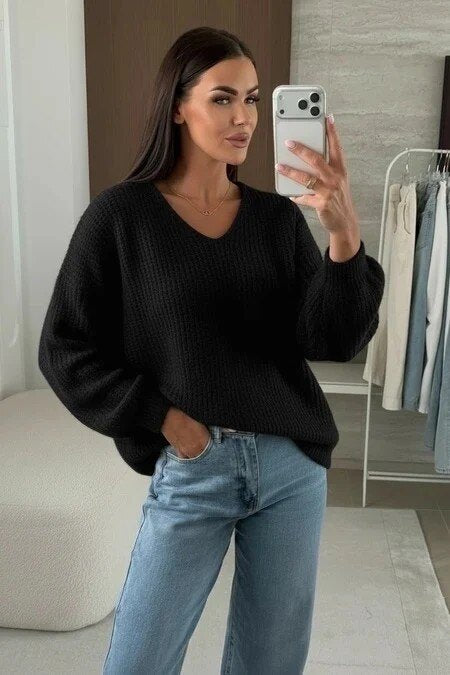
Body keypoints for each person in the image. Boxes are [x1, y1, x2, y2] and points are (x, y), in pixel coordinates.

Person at [38, 26, 384, 675]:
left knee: (269, 664)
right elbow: (63, 346)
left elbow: (331, 340)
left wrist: (343, 238)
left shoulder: (276, 220)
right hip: (193, 466)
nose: (244, 117)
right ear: (178, 105)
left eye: (251, 99)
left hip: (291, 469)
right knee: (138, 662)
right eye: (223, 98)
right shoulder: (120, 218)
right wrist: (163, 418)